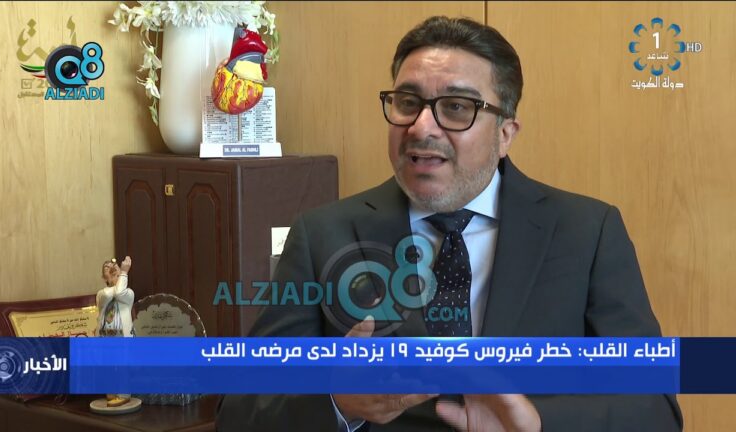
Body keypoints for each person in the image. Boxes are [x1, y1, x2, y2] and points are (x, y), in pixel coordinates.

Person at [217, 16, 682, 431]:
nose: (422, 127)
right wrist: (339, 401)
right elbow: (241, 410)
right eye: (407, 102)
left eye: (457, 106)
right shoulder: (322, 235)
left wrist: (539, 424)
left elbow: (655, 407)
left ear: (505, 133)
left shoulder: (588, 232)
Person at [96, 256, 135, 407]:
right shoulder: (101, 293)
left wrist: (123, 273)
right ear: (103, 277)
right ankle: (112, 391)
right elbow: (108, 295)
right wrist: (115, 279)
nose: (110, 268)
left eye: (113, 267)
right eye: (106, 268)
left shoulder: (128, 293)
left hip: (122, 336)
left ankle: (124, 394)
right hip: (106, 336)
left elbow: (119, 293)